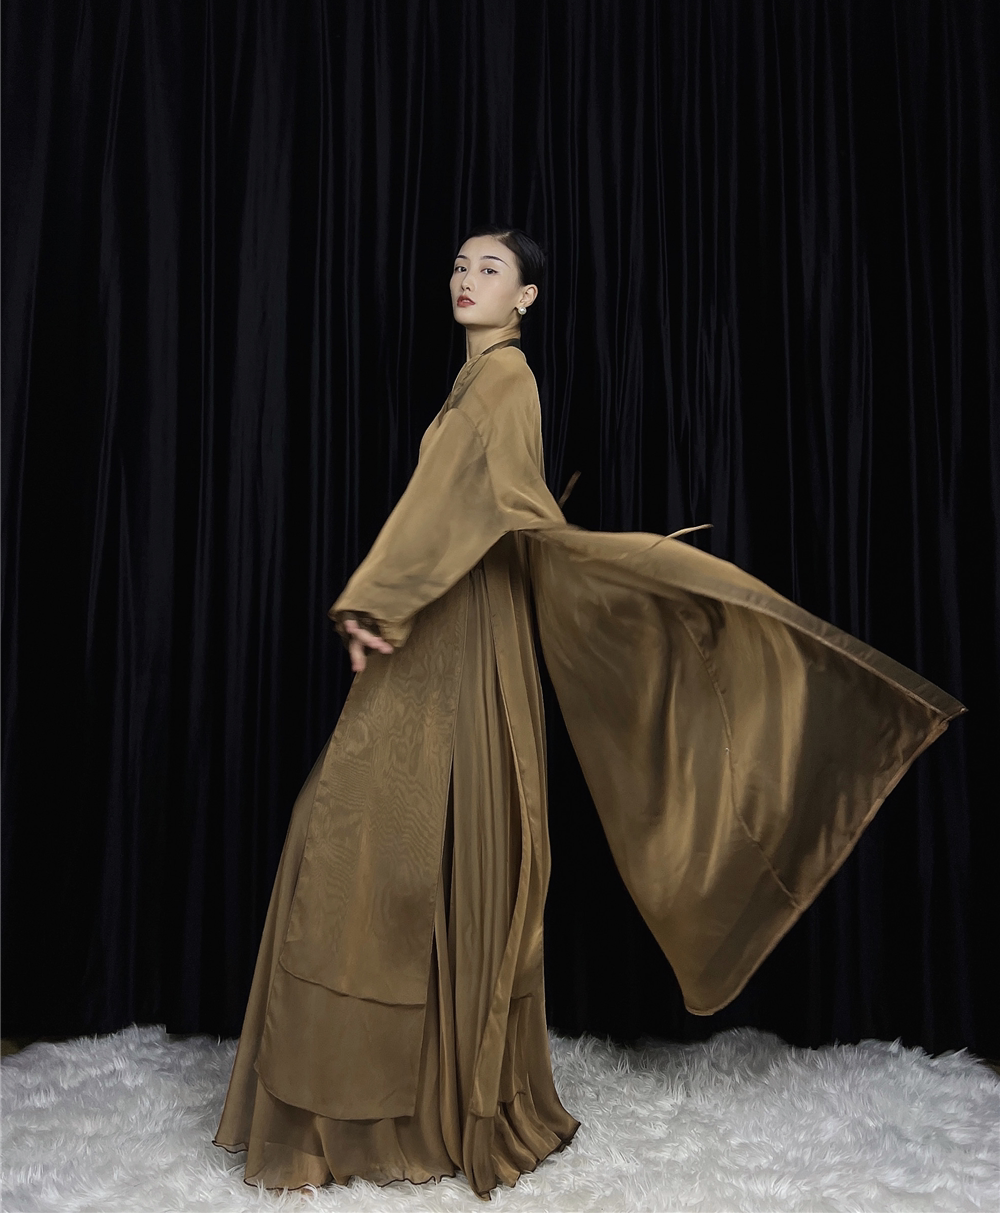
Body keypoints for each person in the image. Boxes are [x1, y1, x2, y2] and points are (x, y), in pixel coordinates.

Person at [214, 227, 963, 1200]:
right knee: (394, 843)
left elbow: (453, 499)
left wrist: (376, 597)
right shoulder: (480, 383)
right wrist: (389, 602)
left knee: (380, 841)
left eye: (489, 269)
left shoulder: (503, 380)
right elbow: (466, 503)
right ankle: (392, 1099)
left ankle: (412, 1108)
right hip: (446, 626)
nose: (465, 279)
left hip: (457, 631)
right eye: (458, 266)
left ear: (526, 297)